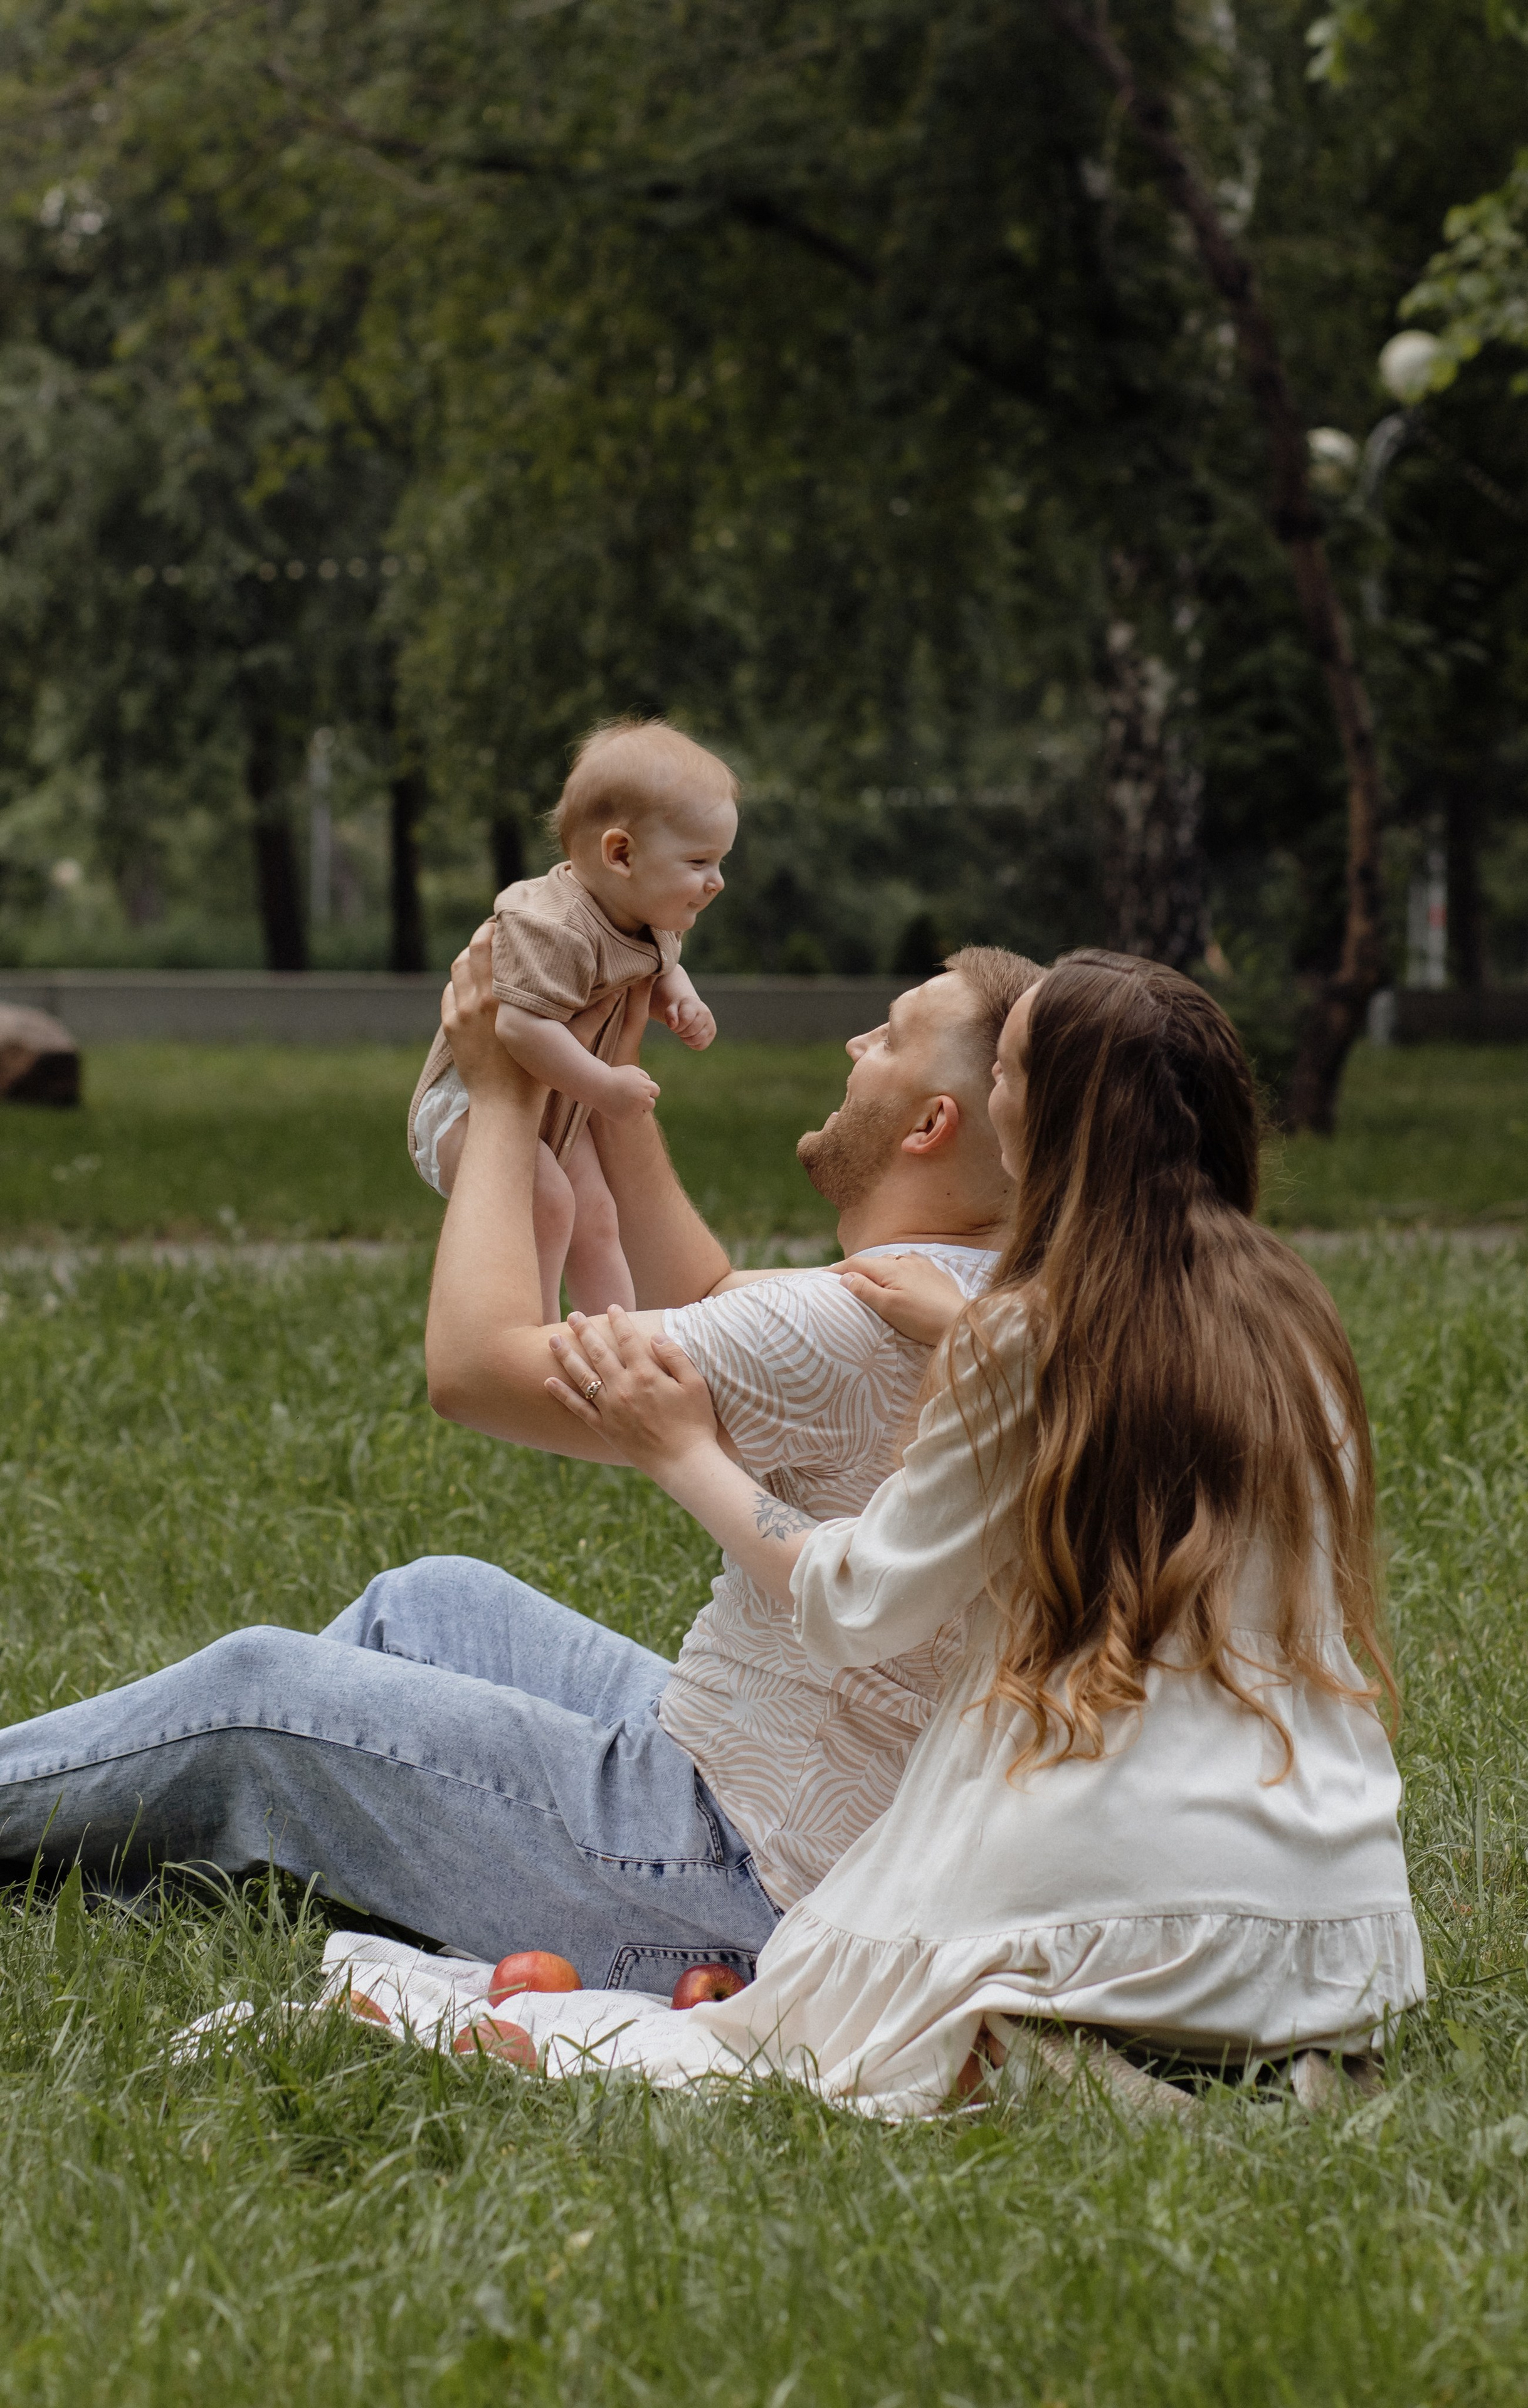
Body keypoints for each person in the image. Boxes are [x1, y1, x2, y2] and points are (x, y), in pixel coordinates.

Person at [0, 932, 1041, 1998]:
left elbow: (474, 1370)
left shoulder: (847, 1323)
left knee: (263, 1695)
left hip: (729, 1879)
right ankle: (190, 1849)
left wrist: (499, 1099)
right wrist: (602, 1095)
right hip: (776, 1794)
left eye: (891, 1036)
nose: (857, 1040)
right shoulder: (988, 1298)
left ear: (931, 1123)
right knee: (435, 1604)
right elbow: (726, 1299)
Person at [529, 950, 1425, 2113]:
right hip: (1335, 1933)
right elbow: (1110, 1400)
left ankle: (1076, 2052)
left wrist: (679, 1450)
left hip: (1122, 1920)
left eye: (1005, 1071)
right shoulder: (1291, 1324)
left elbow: (857, 1602)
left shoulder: (1025, 1345)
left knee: (806, 2024)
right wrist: (972, 1331)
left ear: (1037, 1117)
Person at [409, 718, 736, 1321]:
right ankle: (529, 1344)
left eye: (720, 861)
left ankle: (621, 1341)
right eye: (699, 861)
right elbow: (519, 1029)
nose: (716, 882)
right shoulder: (554, 928)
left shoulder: (645, 914)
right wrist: (605, 1086)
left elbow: (658, 967)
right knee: (551, 1203)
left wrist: (681, 999)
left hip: (555, 1109)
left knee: (596, 1216)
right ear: (621, 854)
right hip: (468, 1107)